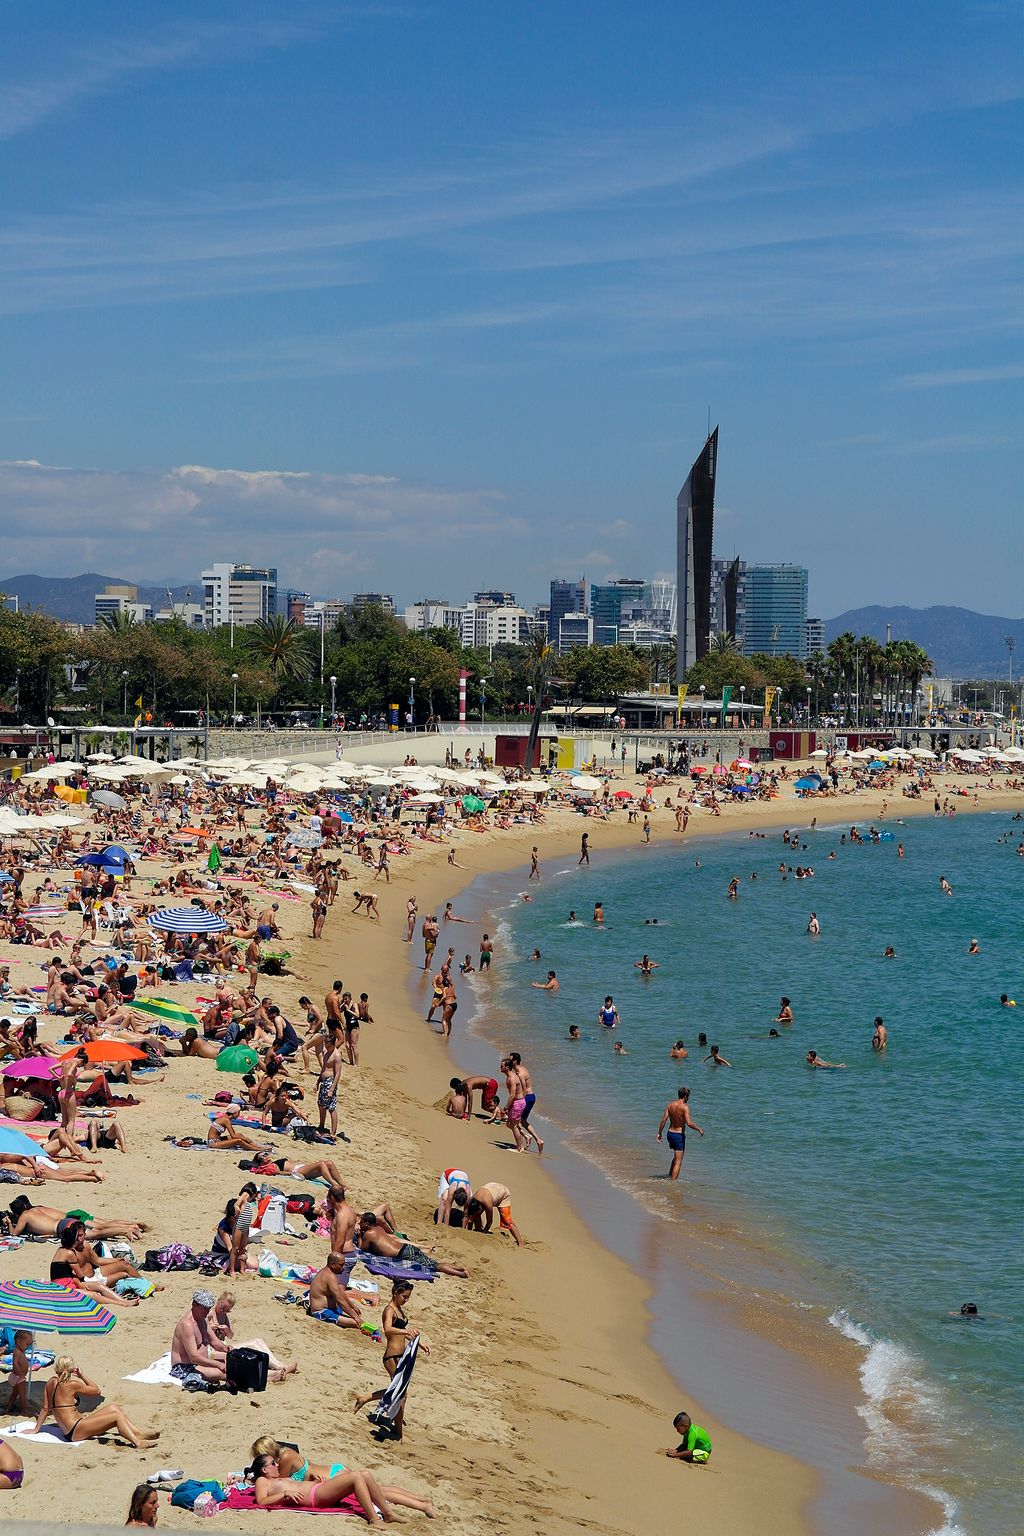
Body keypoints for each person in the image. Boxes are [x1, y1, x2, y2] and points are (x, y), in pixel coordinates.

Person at [249, 1438, 434, 1520]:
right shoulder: (284, 1455)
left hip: (333, 1476)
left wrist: (252, 1479)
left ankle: (423, 1505)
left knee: (380, 1492)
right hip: (331, 1473)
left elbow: (279, 1482)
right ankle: (422, 1500)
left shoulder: (285, 1458)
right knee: (380, 1489)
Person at [352, 1280, 431, 1440]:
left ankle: (396, 1428)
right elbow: (388, 1329)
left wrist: (418, 1343)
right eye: (404, 1297)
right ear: (396, 1293)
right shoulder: (389, 1310)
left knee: (401, 1393)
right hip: (392, 1356)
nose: (406, 1300)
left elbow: (401, 1331)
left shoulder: (399, 1310)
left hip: (401, 1356)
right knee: (400, 1393)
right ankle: (370, 1400)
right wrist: (406, 1331)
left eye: (408, 1297)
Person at [30, 1356, 158, 1448]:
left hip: (71, 1430)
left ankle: (138, 1433)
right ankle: (137, 1442)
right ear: (72, 1369)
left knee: (113, 1407)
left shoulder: (50, 1382)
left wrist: (36, 1429)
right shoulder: (72, 1384)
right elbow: (96, 1391)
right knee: (117, 1416)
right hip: (76, 1430)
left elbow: (45, 1409)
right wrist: (82, 1375)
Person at [355, 1213, 469, 1278]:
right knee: (434, 1262)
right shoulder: (378, 1228)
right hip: (406, 1248)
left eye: (361, 1222)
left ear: (367, 1223)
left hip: (403, 1253)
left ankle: (461, 1274)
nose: (360, 1224)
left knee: (436, 1266)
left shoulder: (369, 1234)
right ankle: (461, 1268)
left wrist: (359, 1236)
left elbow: (362, 1250)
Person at [657, 1087, 703, 1180]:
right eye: (688, 1096)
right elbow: (689, 1123)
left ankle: (670, 1175)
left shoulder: (670, 1105)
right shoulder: (685, 1107)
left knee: (675, 1158)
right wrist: (699, 1129)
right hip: (678, 1135)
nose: (688, 1099)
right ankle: (672, 1183)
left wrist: (659, 1133)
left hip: (670, 1134)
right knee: (678, 1161)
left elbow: (663, 1120)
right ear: (685, 1096)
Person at [307, 1254, 364, 1329]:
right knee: (356, 1323)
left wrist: (353, 1306)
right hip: (322, 1312)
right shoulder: (329, 1276)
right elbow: (339, 1300)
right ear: (332, 1264)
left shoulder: (329, 1273)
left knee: (357, 1319)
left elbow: (340, 1293)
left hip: (331, 1309)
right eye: (341, 1265)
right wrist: (355, 1316)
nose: (343, 1268)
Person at [4, 1331, 31, 1416]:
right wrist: (21, 1374)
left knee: (14, 1393)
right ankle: (23, 1410)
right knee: (22, 1395)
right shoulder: (17, 1352)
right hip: (18, 1377)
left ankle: (8, 1408)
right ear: (19, 1342)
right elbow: (15, 1364)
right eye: (27, 1344)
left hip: (16, 1377)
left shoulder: (20, 1351)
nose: (27, 1347)